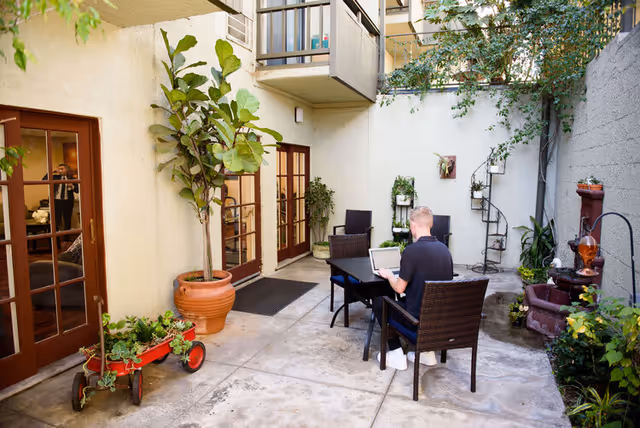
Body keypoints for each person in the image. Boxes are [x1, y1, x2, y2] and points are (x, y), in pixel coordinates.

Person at [375, 206, 454, 370]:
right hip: (439, 321)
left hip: (416, 321)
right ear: (430, 225)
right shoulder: (445, 250)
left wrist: (390, 275)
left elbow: (399, 288)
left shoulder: (411, 251)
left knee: (379, 301)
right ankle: (427, 353)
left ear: (413, 224)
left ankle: (396, 354)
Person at [43, 164, 78, 231]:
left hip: (67, 202)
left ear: (66, 170)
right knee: (56, 220)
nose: (60, 170)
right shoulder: (55, 177)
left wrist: (72, 186)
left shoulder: (72, 178)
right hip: (57, 201)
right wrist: (52, 172)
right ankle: (57, 239)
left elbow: (77, 190)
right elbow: (44, 180)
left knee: (67, 220)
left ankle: (67, 238)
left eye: (62, 169)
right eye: (59, 169)